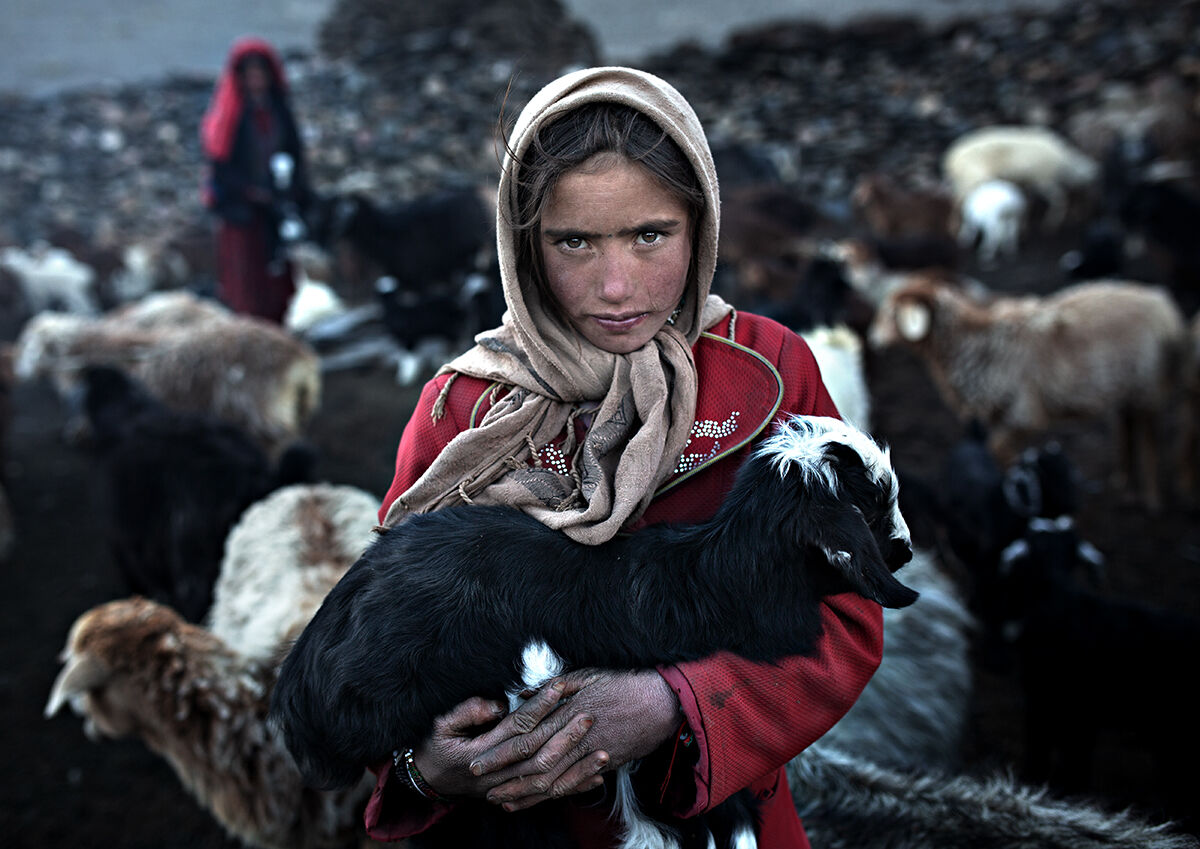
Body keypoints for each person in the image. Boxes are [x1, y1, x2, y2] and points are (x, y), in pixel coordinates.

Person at [362, 66, 883, 848]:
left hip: (724, 821)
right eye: (574, 240)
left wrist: (679, 701)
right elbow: (384, 647)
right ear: (524, 246)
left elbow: (844, 617)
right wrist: (423, 763)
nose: (615, 285)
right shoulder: (462, 413)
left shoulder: (767, 375)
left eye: (650, 235)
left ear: (699, 224)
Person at [200, 36, 310, 323]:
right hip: (243, 213)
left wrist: (290, 191)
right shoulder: (232, 117)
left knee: (279, 279)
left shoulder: (278, 111)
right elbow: (222, 166)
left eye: (260, 73)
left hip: (276, 208)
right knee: (246, 282)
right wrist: (251, 192)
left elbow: (295, 153)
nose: (256, 80)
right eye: (249, 75)